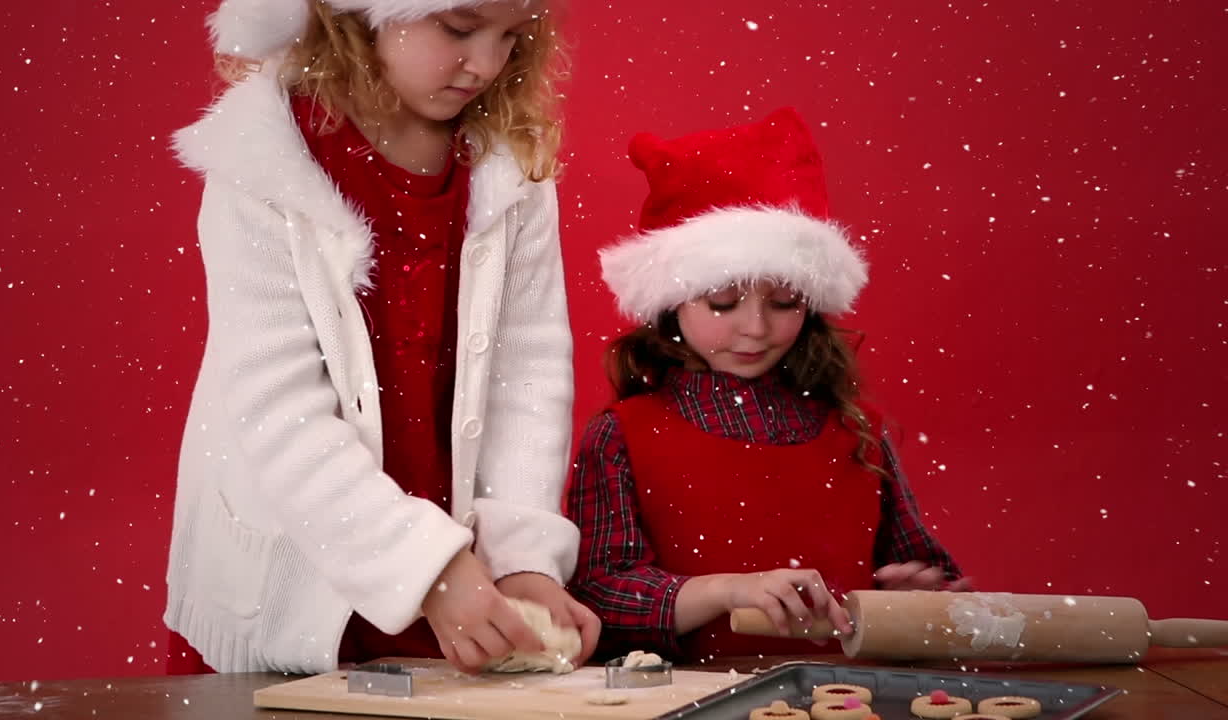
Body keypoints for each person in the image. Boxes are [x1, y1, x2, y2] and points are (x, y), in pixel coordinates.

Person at [164, 0, 599, 674]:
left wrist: (521, 561)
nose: (485, 65)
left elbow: (529, 376)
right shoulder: (263, 160)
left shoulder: (509, 164)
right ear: (358, 14)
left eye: (512, 38)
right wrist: (426, 568)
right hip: (288, 583)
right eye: (457, 28)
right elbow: (278, 410)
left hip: (460, 594)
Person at [568, 108, 968, 661]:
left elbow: (926, 578)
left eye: (785, 303)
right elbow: (597, 598)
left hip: (845, 699)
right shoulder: (622, 436)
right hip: (687, 701)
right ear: (670, 302)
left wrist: (917, 597)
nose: (755, 328)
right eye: (723, 303)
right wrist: (726, 590)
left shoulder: (857, 431)